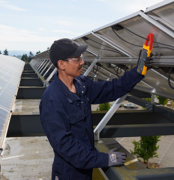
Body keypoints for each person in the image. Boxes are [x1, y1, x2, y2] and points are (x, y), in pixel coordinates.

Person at [39, 38, 152, 180]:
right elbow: (66, 147)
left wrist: (138, 71)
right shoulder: (52, 100)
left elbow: (112, 88)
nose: (82, 62)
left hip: (86, 169)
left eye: (81, 58)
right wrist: (105, 159)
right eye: (77, 59)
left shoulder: (82, 85)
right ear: (61, 64)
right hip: (68, 173)